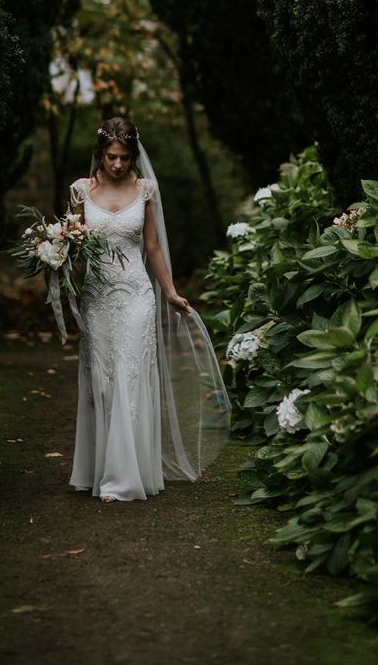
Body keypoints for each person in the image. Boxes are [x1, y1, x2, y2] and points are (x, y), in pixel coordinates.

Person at [68, 117, 230, 502]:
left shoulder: (145, 190)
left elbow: (153, 248)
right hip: (97, 295)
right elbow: (71, 243)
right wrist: (54, 255)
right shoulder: (80, 191)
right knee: (103, 381)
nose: (118, 165)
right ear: (100, 154)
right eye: (111, 157)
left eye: (124, 157)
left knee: (131, 375)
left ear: (133, 156)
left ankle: (124, 478)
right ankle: (100, 468)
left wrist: (171, 292)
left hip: (138, 293)